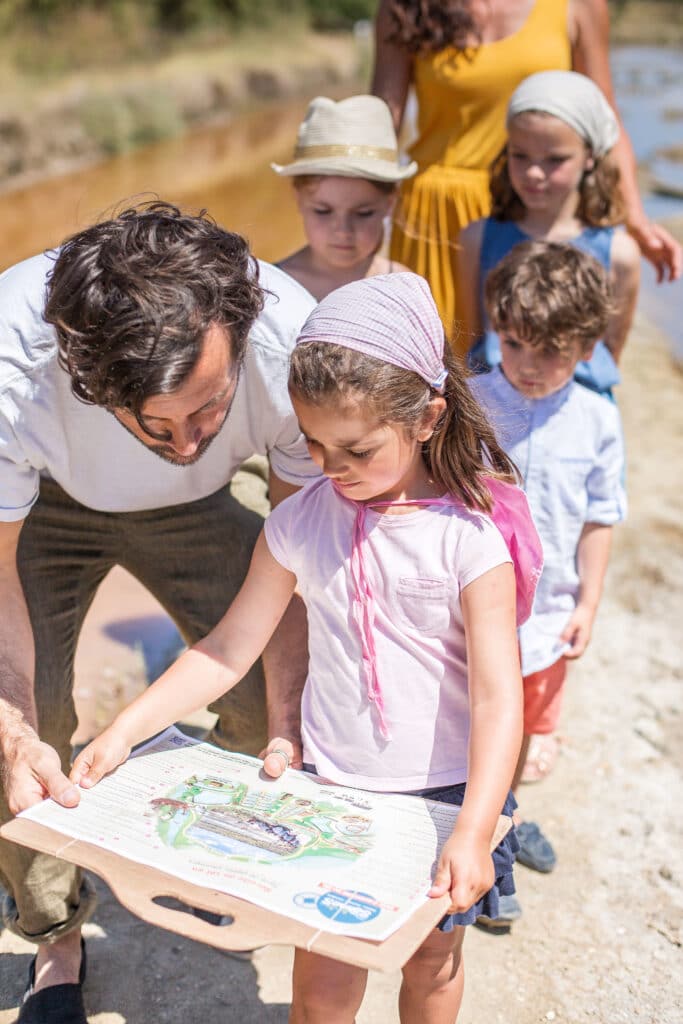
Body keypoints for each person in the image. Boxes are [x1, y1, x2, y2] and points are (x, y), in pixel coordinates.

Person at [71, 272, 543, 1022]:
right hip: (330, 788)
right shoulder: (297, 525)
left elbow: (498, 699)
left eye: (355, 448)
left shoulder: (470, 540)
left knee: (430, 962)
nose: (328, 468)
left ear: (426, 418)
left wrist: (475, 828)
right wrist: (124, 732)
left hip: (445, 795)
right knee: (323, 985)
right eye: (313, 444)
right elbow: (227, 648)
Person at [0, 201, 319, 1024]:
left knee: (268, 709)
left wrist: (286, 713)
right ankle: (55, 933)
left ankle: (176, 833)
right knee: (27, 733)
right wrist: (15, 726)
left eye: (208, 411)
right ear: (85, 376)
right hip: (45, 505)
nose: (188, 442)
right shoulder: (12, 361)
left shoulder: (291, 340)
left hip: (203, 509)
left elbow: (294, 551)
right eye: (159, 424)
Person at [372, 0, 682, 352]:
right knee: (426, 378)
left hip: (533, 214)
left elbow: (605, 119)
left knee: (531, 365)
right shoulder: (405, 6)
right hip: (431, 218)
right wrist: (346, 215)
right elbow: (381, 123)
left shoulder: (579, 6)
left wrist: (637, 221)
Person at [470, 241, 626, 928]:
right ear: (494, 327)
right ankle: (479, 839)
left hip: (546, 617)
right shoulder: (467, 404)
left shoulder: (597, 420)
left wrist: (588, 603)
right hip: (469, 612)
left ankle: (504, 816)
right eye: (514, 344)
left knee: (527, 723)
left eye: (552, 352)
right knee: (468, 722)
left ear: (588, 346)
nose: (529, 367)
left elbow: (599, 517)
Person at [460, 70, 641, 397]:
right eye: (520, 155)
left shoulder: (619, 253)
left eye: (554, 159)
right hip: (498, 411)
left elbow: (609, 351)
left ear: (590, 157)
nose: (533, 172)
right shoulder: (476, 238)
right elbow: (475, 338)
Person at [272, 94, 416, 301]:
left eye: (363, 213)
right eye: (323, 211)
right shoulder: (270, 289)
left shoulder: (404, 288)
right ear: (298, 198)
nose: (343, 230)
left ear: (390, 203)